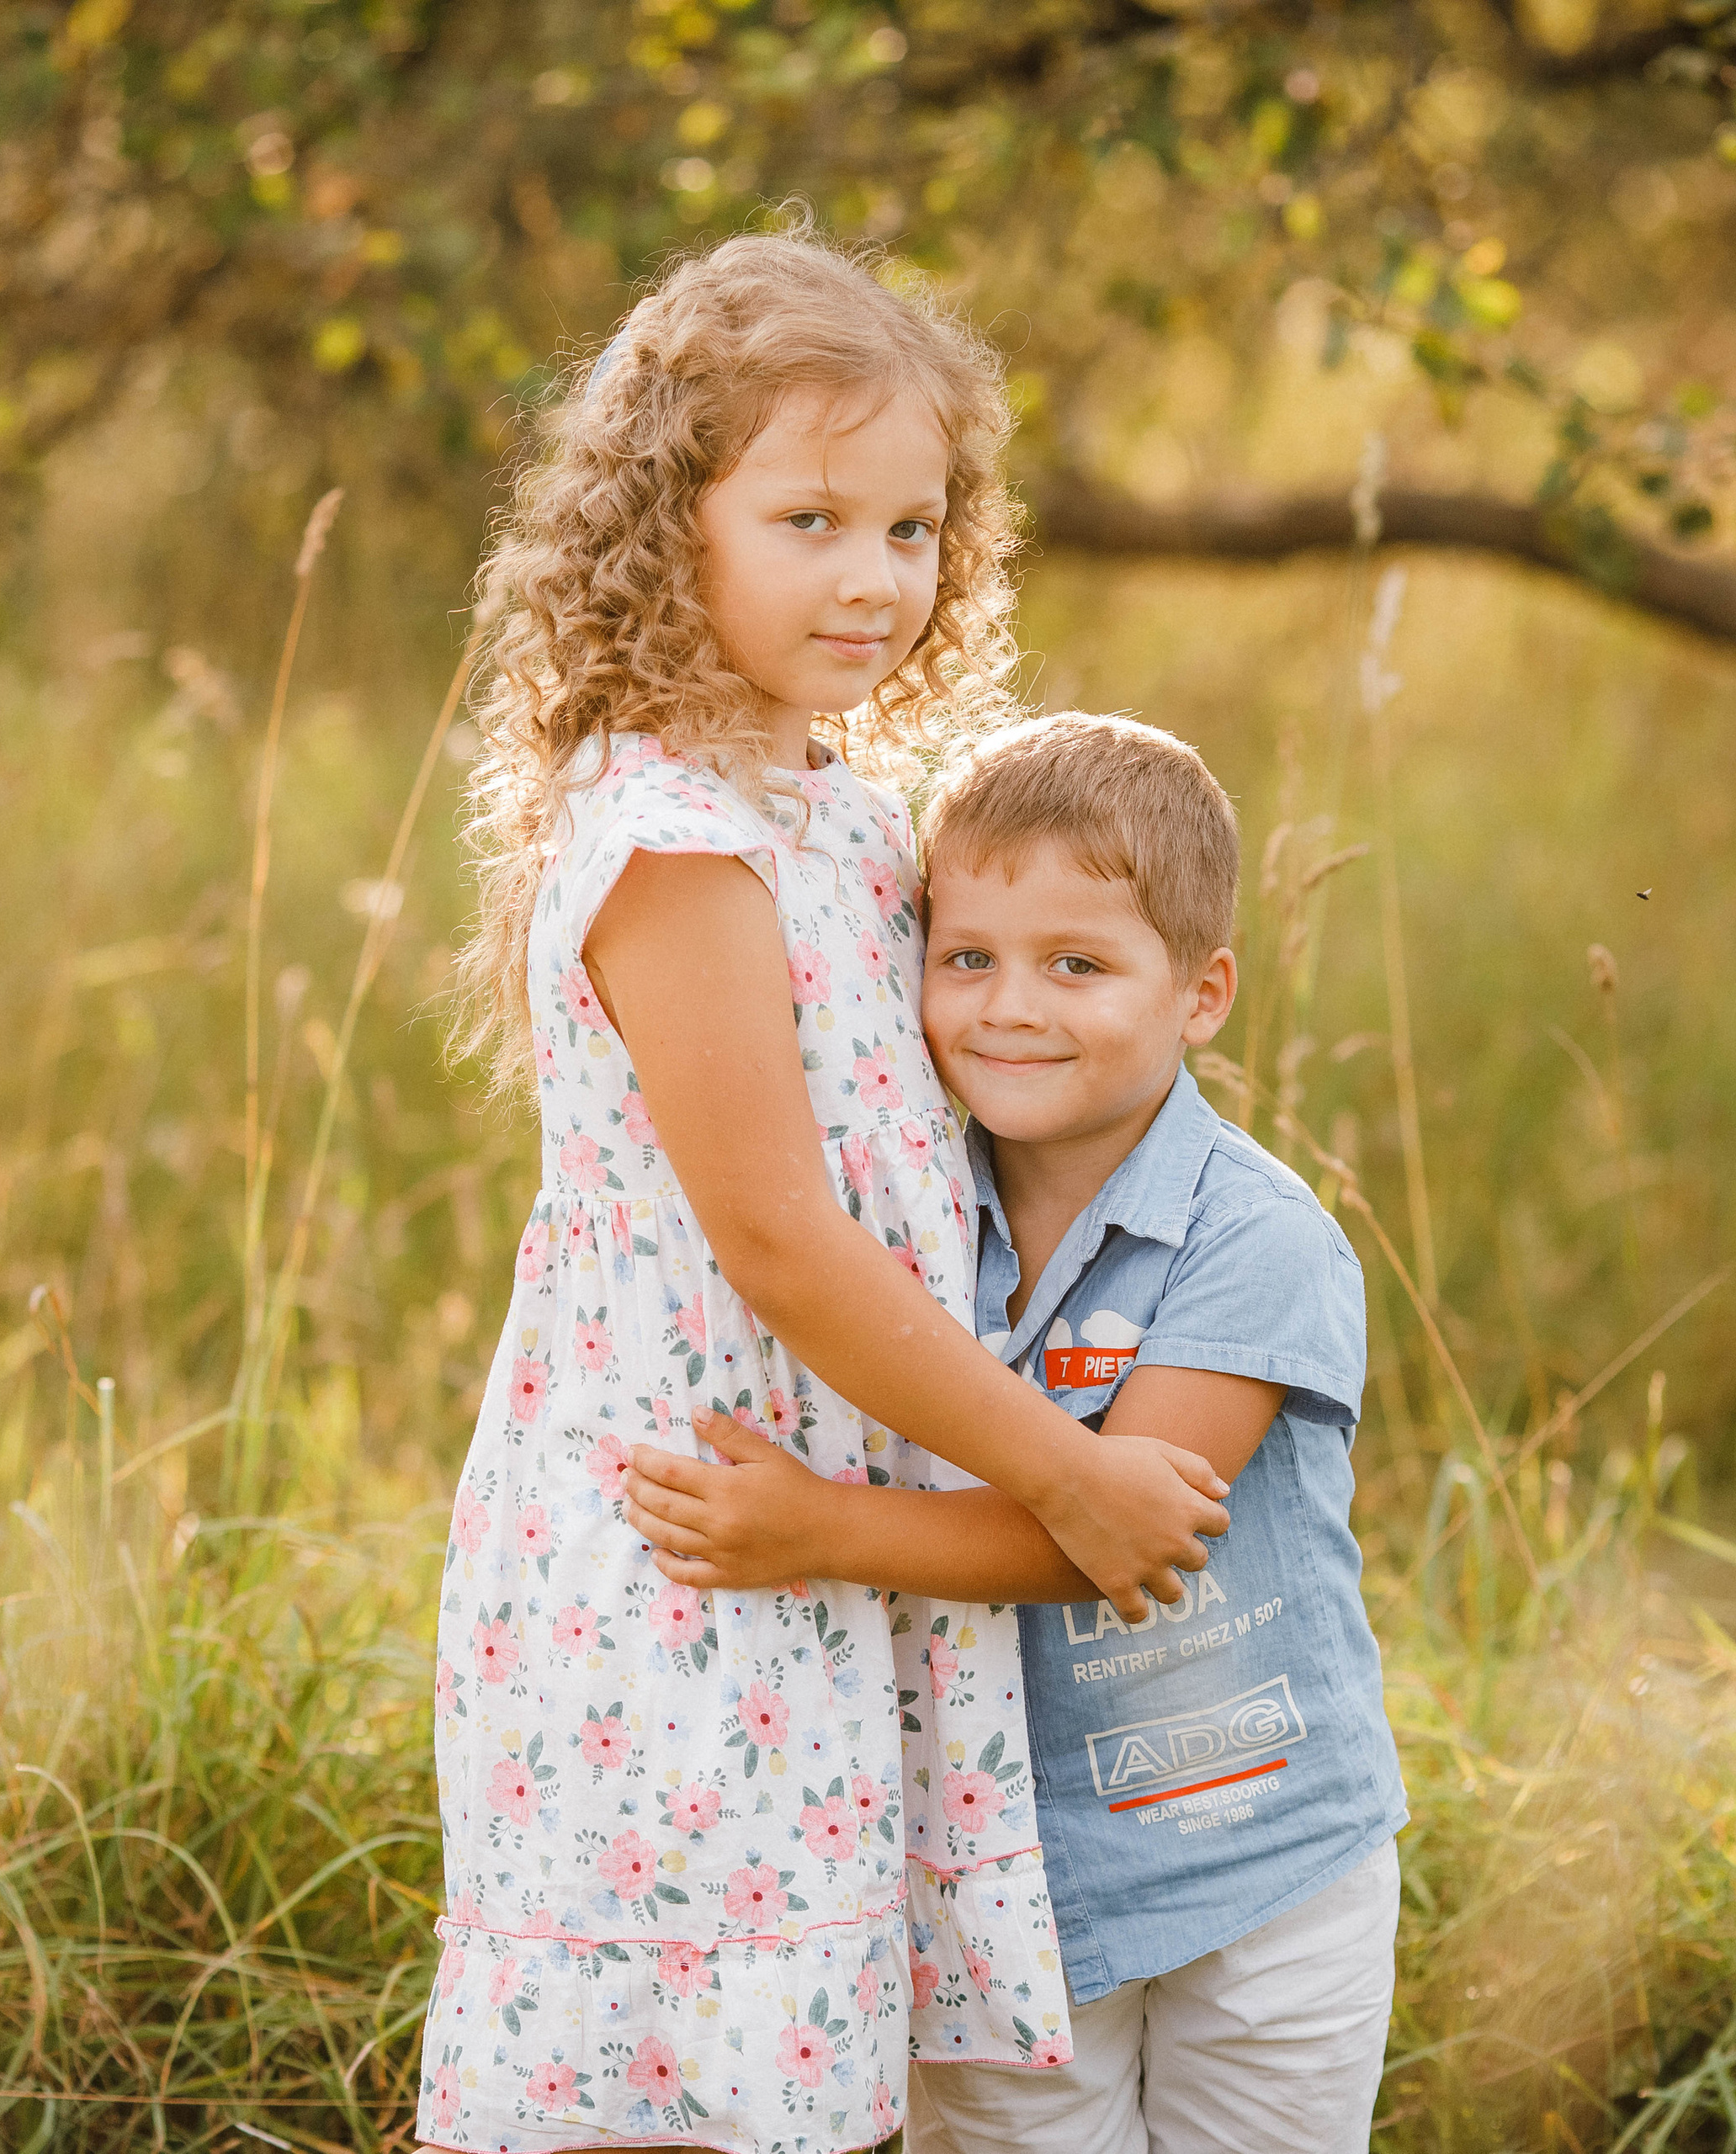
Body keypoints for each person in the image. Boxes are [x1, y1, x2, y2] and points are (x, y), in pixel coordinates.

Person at [417, 231, 1231, 2154]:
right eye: (807, 518)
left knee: (802, 2068)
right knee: (664, 2080)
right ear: (661, 524)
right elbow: (781, 1238)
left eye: (910, 527)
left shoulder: (843, 806)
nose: (873, 577)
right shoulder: (674, 840)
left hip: (825, 1527)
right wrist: (1063, 1467)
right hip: (688, 1544)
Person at [625, 713, 1410, 2154]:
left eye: (1080, 965)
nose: (1009, 1007)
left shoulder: (1256, 1241)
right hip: (997, 1866)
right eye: (968, 957)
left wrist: (817, 1531)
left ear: (1204, 991)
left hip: (1262, 1863)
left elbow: (1114, 1536)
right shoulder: (909, 1226)